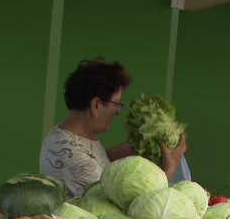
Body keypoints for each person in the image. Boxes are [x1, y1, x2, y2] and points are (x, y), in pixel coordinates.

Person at [40, 58, 186, 199]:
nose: (118, 111)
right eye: (116, 104)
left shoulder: (73, 136)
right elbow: (116, 204)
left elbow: (100, 159)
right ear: (96, 105)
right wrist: (167, 172)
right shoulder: (68, 153)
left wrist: (143, 143)